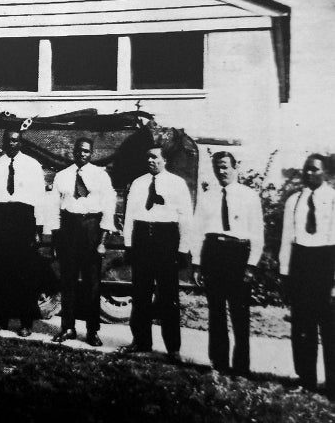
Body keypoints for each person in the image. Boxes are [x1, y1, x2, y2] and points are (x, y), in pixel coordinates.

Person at [192, 151, 264, 375]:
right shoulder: (208, 196)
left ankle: (241, 367)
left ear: (235, 167)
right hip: (214, 253)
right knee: (216, 312)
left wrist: (251, 265)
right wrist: (197, 264)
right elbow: (197, 231)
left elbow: (257, 233)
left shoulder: (249, 196)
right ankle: (219, 363)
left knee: (240, 313)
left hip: (238, 254)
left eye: (225, 166)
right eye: (217, 167)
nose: (221, 171)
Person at [121, 145, 193, 361]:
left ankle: (173, 349)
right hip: (142, 238)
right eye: (148, 157)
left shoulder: (177, 184)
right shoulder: (138, 183)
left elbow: (185, 217)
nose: (150, 160)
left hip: (166, 240)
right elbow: (130, 216)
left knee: (168, 297)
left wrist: (182, 249)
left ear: (165, 160)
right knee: (141, 294)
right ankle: (142, 342)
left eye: (155, 157)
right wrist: (128, 244)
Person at [49, 137, 116, 346]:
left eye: (86, 151)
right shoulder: (62, 175)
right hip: (69, 230)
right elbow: (53, 207)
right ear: (73, 151)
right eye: (79, 151)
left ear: (91, 153)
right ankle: (67, 328)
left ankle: (92, 331)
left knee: (92, 284)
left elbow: (108, 207)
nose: (82, 154)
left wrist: (102, 240)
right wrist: (54, 238)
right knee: (67, 281)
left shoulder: (101, 176)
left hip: (91, 230)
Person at [279, 154, 335, 396]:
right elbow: (286, 239)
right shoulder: (294, 200)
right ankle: (307, 380)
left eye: (314, 170)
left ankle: (332, 386)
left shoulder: (333, 198)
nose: (309, 174)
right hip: (301, 263)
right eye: (306, 170)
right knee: (302, 326)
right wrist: (284, 273)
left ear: (325, 172)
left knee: (330, 327)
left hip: (326, 262)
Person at [0, 127, 45, 337]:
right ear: (3, 142)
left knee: (24, 275)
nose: (12, 143)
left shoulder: (32, 165)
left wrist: (38, 229)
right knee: (1, 273)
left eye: (16, 140)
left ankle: (25, 322)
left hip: (23, 220)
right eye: (8, 140)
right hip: (1, 219)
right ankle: (0, 320)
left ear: (21, 142)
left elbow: (39, 198)